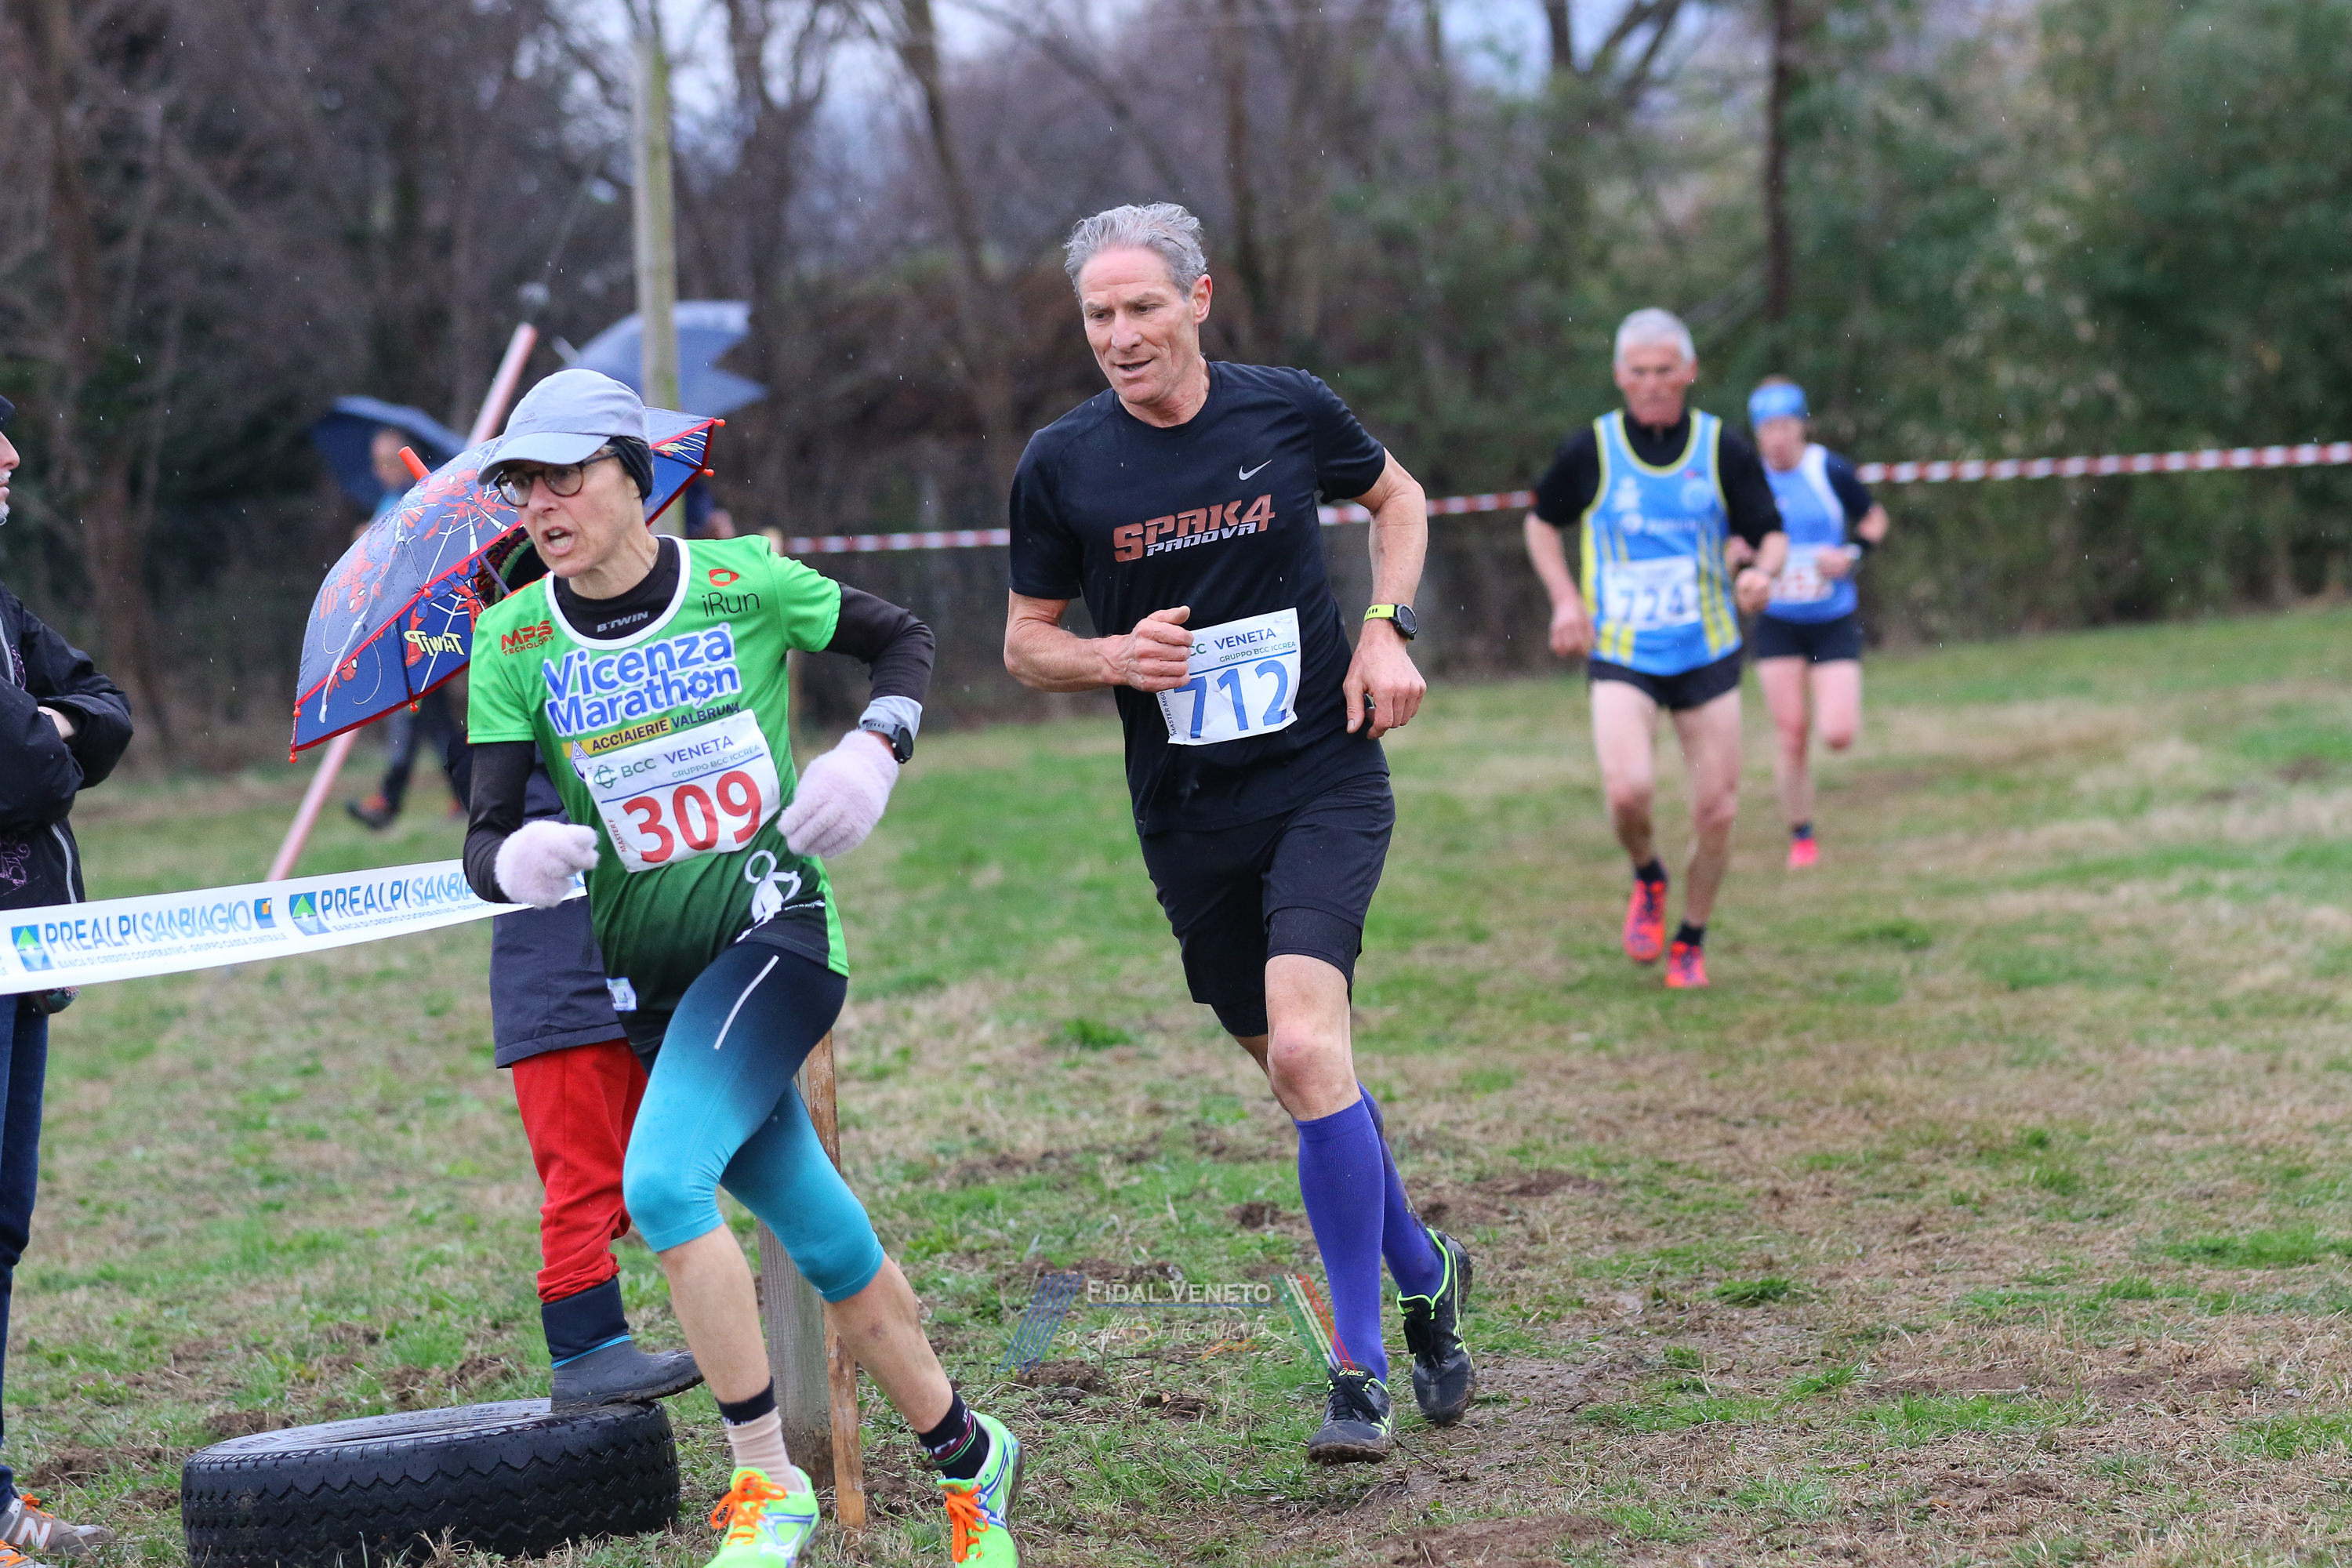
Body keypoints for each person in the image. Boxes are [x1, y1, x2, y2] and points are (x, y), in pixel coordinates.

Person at [461, 369, 1022, 1567]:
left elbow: (903, 640)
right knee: (824, 1237)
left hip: (778, 942)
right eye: (522, 486)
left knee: (664, 1188)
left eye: (565, 477)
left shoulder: (741, 582)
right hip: (653, 993)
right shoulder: (511, 639)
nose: (541, 505)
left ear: (633, 476)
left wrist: (874, 751)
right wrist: (514, 860)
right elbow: (482, 835)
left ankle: (767, 1481)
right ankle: (973, 1457)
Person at [1001, 204, 1475, 1465]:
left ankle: (1359, 1373)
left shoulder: (1286, 410)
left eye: (1142, 307)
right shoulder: (1062, 463)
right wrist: (1111, 655)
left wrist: (1386, 627)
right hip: (1188, 815)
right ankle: (1429, 1269)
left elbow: (1399, 499)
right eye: (1098, 315)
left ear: (1199, 300)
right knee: (1301, 1076)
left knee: (1312, 1050)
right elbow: (1025, 643)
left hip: (1323, 775)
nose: (1120, 335)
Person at [1523, 308, 1785, 990]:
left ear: (1689, 371)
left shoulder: (1722, 448)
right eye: (1638, 372)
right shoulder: (1593, 449)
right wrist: (1566, 599)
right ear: (1620, 375)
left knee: (1718, 809)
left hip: (1706, 649)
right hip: (1622, 650)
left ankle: (1690, 939)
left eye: (1665, 370)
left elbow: (1770, 531)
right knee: (1629, 792)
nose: (1652, 384)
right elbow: (1542, 524)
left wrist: (1762, 573)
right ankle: (1648, 874)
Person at [444, 724, 703, 1412]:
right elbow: (495, 825)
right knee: (583, 1177)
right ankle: (587, 1352)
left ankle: (614, 1331)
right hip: (555, 988)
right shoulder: (502, 718)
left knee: (636, 1171)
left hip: (628, 968)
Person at [0, 394, 134, 1568]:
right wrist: (50, 738)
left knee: (1, 1224)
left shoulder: (2, 607)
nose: (11, 454)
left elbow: (105, 709)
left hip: (24, 949)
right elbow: (33, 773)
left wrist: (51, 727)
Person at [1744, 379, 1889, 868]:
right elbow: (1728, 541)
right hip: (1778, 623)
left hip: (1832, 620)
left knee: (1838, 734)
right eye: (1767, 429)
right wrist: (1741, 559)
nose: (1777, 438)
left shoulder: (1828, 469)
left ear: (1802, 425)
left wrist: (1851, 554)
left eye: (1785, 426)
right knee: (1791, 734)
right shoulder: (1748, 478)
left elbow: (1873, 520)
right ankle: (1801, 835)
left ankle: (1805, 826)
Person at [349, 428, 462, 830]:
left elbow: (415, 554)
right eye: (376, 462)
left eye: (386, 461)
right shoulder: (388, 500)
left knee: (413, 712)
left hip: (421, 623)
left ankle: (389, 800)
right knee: (431, 718)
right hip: (398, 624)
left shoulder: (421, 498)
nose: (379, 470)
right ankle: (463, 792)